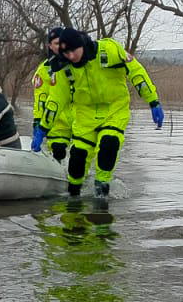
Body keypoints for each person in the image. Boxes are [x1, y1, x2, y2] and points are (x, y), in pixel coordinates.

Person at [52, 29, 164, 197]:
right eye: (66, 53)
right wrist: (42, 126)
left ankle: (102, 191)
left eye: (73, 51)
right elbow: (57, 98)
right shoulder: (64, 67)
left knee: (108, 144)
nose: (71, 56)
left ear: (81, 45)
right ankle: (73, 198)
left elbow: (136, 72)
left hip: (114, 110)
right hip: (85, 116)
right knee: (77, 159)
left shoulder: (110, 50)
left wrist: (153, 101)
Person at [29, 27, 73, 162]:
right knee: (58, 153)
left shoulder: (77, 62)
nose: (60, 47)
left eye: (62, 43)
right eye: (56, 43)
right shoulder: (44, 70)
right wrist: (38, 121)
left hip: (81, 117)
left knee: (80, 155)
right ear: (50, 46)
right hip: (56, 121)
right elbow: (41, 98)